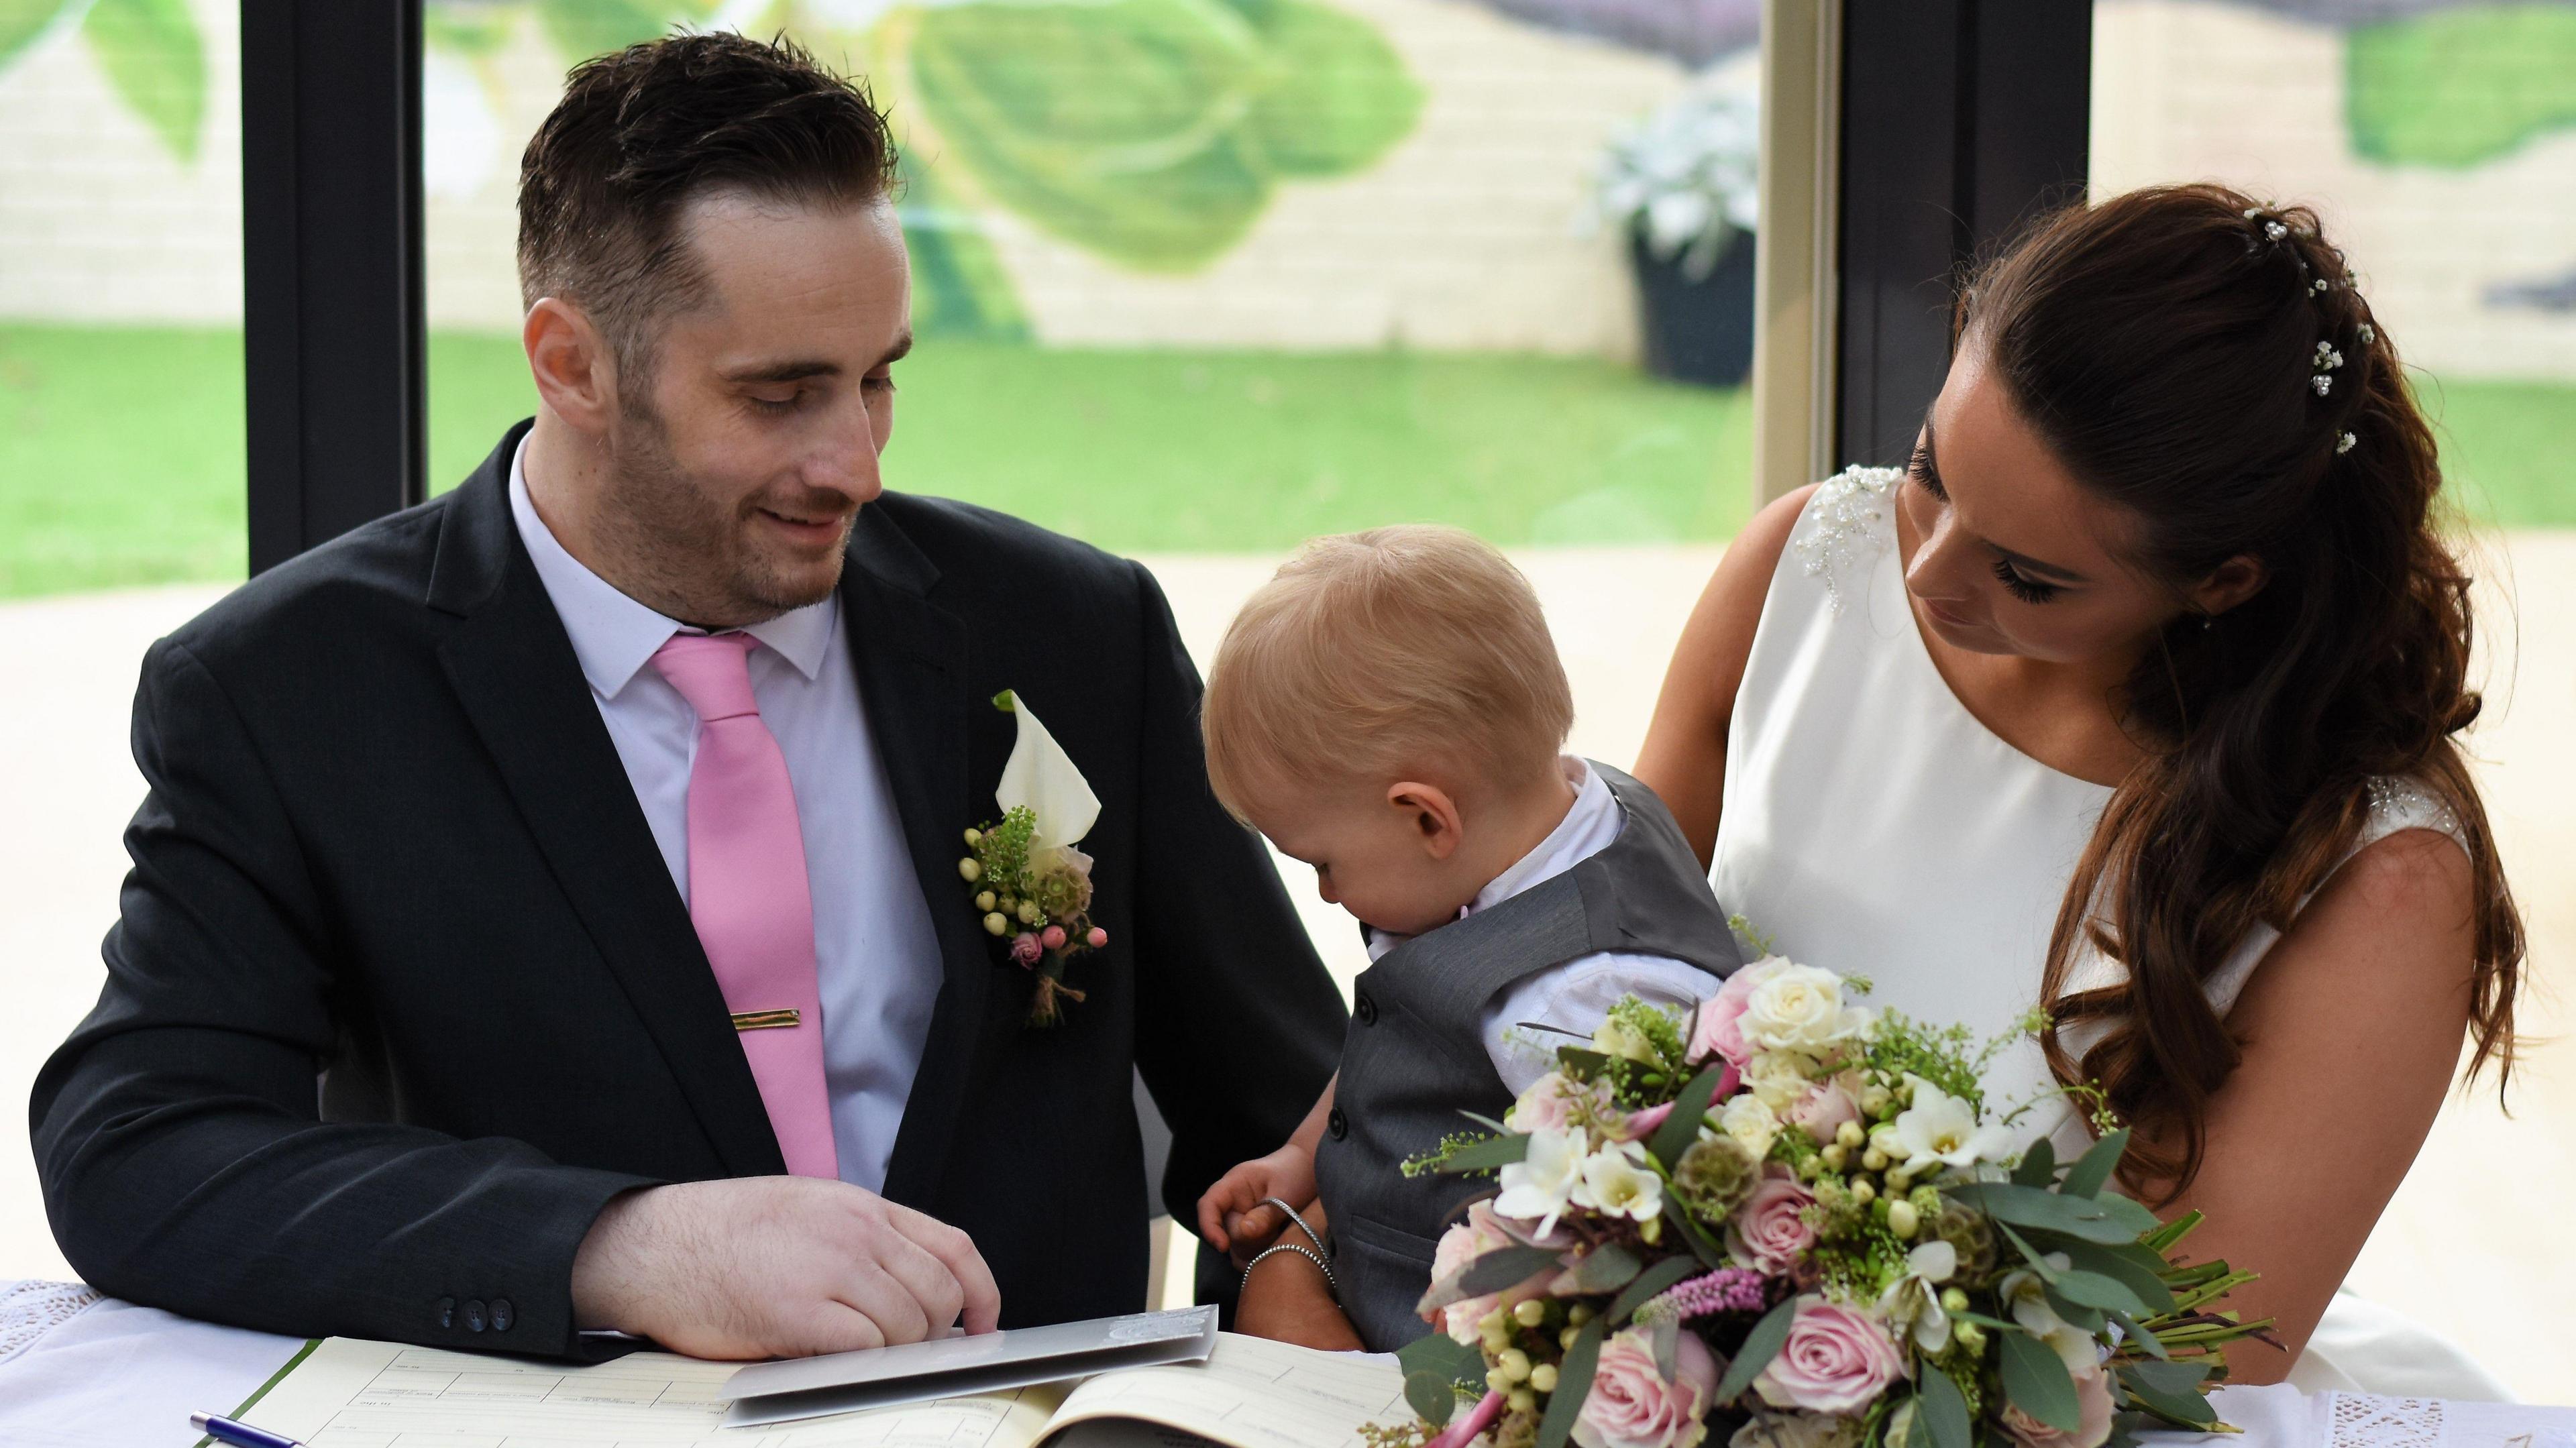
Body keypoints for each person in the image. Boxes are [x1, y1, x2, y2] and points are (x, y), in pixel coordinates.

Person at [30, 33, 1344, 1363]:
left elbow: (1295, 1113)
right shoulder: (291, 688)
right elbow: (140, 1145)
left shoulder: (1071, 630)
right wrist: (615, 1242)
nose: (858, 463)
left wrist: (1301, 1266)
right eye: (781, 395)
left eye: (878, 375)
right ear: (572, 364)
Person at [1634, 184, 2523, 1396]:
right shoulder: (1814, 564)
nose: (1932, 575)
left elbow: (2188, 1357)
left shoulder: (2375, 872)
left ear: (2221, 579)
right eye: (1931, 469)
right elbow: (1582, 945)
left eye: (2032, 577)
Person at [1186, 526, 1743, 1351]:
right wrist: (1301, 1156)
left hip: (1433, 1374)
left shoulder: (1577, 1006)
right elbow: (1402, 1033)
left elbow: (1614, 1272)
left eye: (1324, 862)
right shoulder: (1557, 809)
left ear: (1425, 815)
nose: (1327, 891)